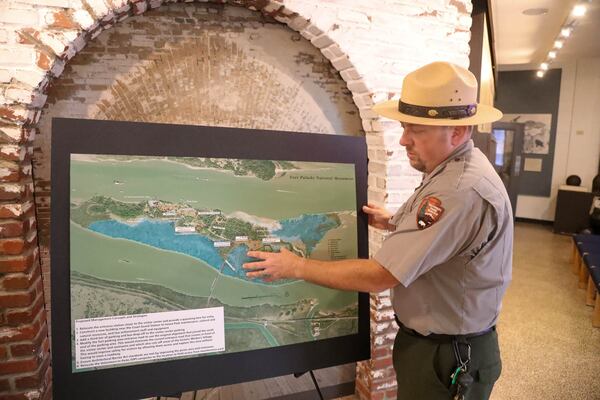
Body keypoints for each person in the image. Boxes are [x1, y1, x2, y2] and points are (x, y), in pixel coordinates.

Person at [244, 61, 512, 400]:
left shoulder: (458, 190)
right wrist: (393, 221)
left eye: (416, 130)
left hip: (448, 357)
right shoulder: (452, 169)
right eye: (404, 127)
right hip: (437, 346)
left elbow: (380, 275)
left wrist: (294, 267)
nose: (403, 140)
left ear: (456, 133)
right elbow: (450, 239)